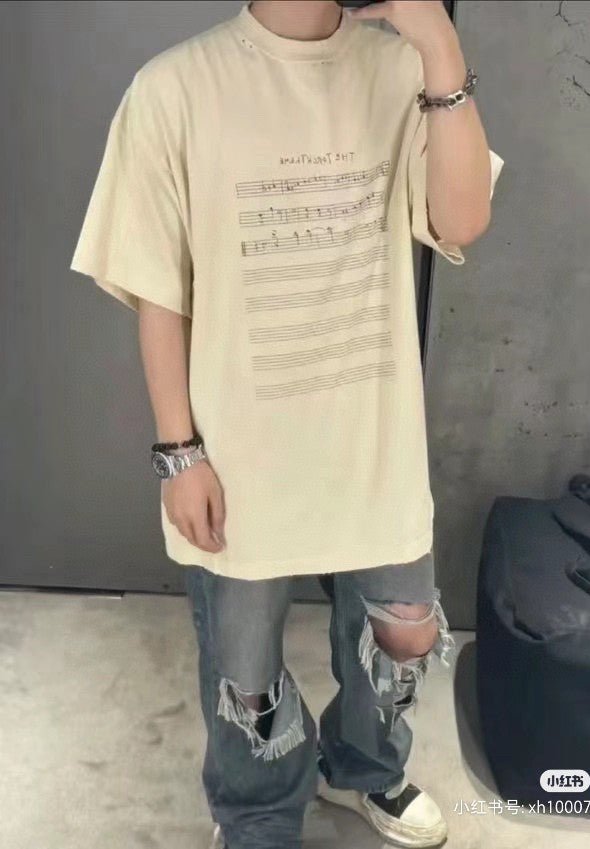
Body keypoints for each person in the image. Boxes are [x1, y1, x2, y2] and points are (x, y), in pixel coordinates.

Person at [70, 2, 504, 847]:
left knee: (403, 632)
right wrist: (178, 451)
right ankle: (259, 811)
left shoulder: (399, 70)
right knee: (245, 664)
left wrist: (439, 43)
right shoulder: (173, 88)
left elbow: (462, 220)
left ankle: (364, 767)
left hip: (373, 438)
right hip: (241, 448)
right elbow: (158, 288)